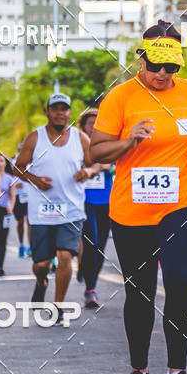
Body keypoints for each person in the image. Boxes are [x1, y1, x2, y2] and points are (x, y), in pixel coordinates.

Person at [90, 21, 187, 374]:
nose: (162, 74)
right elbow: (96, 152)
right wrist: (129, 141)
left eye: (171, 66)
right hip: (131, 211)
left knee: (179, 283)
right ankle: (138, 371)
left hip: (179, 205)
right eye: (156, 65)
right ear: (141, 59)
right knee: (139, 294)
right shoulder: (121, 97)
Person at [13, 92, 98, 327]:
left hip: (70, 210)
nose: (61, 113)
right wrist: (34, 179)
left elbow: (97, 163)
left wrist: (88, 172)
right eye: (56, 108)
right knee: (41, 264)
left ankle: (59, 306)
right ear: (47, 112)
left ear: (70, 112)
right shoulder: (35, 138)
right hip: (42, 211)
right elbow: (17, 168)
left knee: (64, 257)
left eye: (65, 109)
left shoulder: (80, 138)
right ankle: (41, 282)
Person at [78, 109, 113, 309]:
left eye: (96, 122)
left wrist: (106, 165)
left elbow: (115, 164)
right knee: (91, 242)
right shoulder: (77, 144)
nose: (93, 126)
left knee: (101, 247)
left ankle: (91, 281)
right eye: (90, 123)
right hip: (84, 200)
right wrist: (99, 165)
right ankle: (90, 289)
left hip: (106, 199)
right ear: (83, 125)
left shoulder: (109, 142)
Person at [12, 142, 32, 258]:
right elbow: (10, 179)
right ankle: (21, 245)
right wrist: (15, 185)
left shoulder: (32, 163)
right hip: (19, 196)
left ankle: (30, 245)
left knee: (30, 221)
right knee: (20, 222)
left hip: (30, 196)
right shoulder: (14, 163)